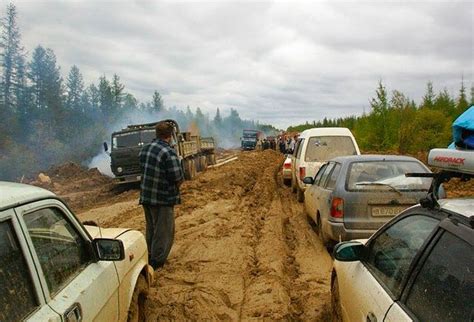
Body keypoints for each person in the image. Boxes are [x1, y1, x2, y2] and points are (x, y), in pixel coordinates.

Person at [139, 121, 184, 270]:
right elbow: (177, 177)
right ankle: (156, 263)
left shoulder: (145, 149)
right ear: (170, 136)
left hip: (146, 197)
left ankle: (149, 256)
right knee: (164, 232)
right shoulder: (168, 152)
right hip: (163, 199)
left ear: (156, 133)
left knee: (151, 229)